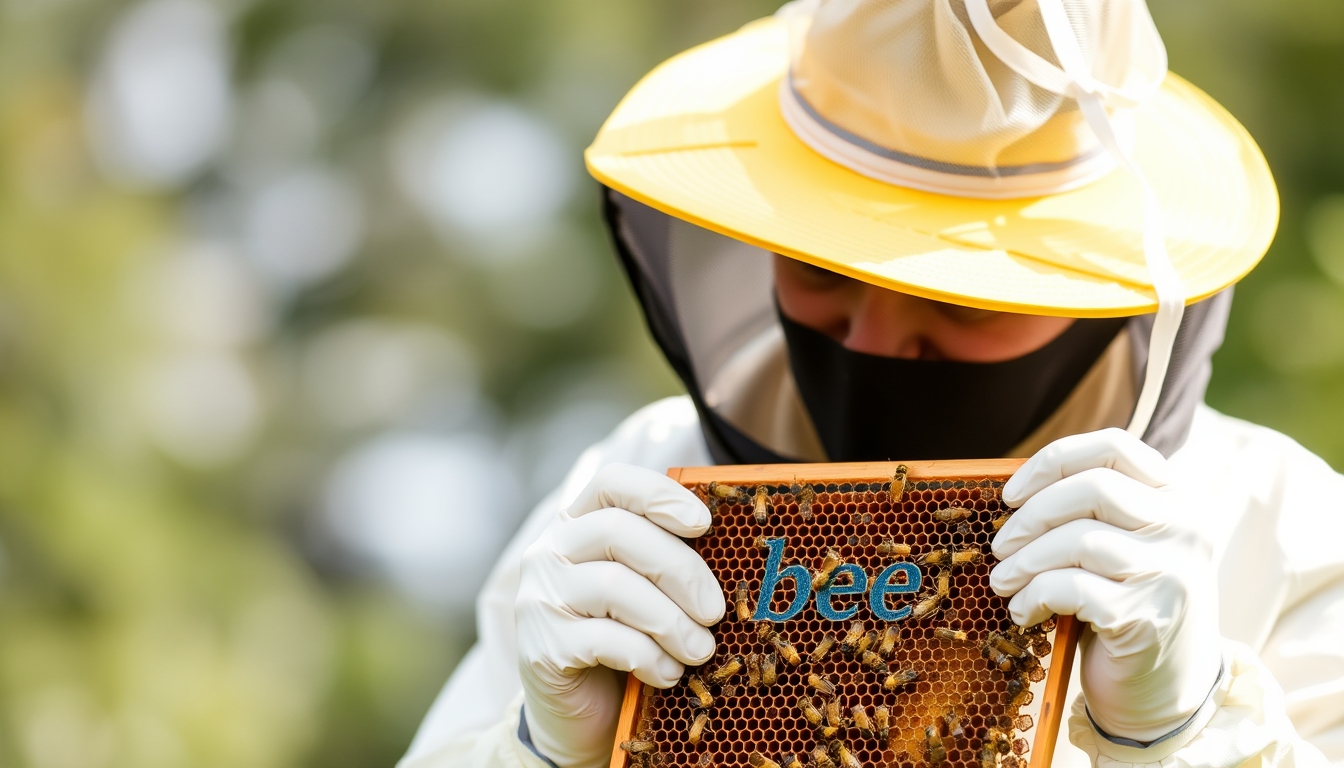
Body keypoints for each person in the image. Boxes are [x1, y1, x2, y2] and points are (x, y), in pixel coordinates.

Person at [398, 1, 1344, 767]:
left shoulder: (1289, 531)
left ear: (1095, 292)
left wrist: (1186, 732)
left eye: (958, 293)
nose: (878, 341)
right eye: (826, 271)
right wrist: (542, 749)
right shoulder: (643, 484)